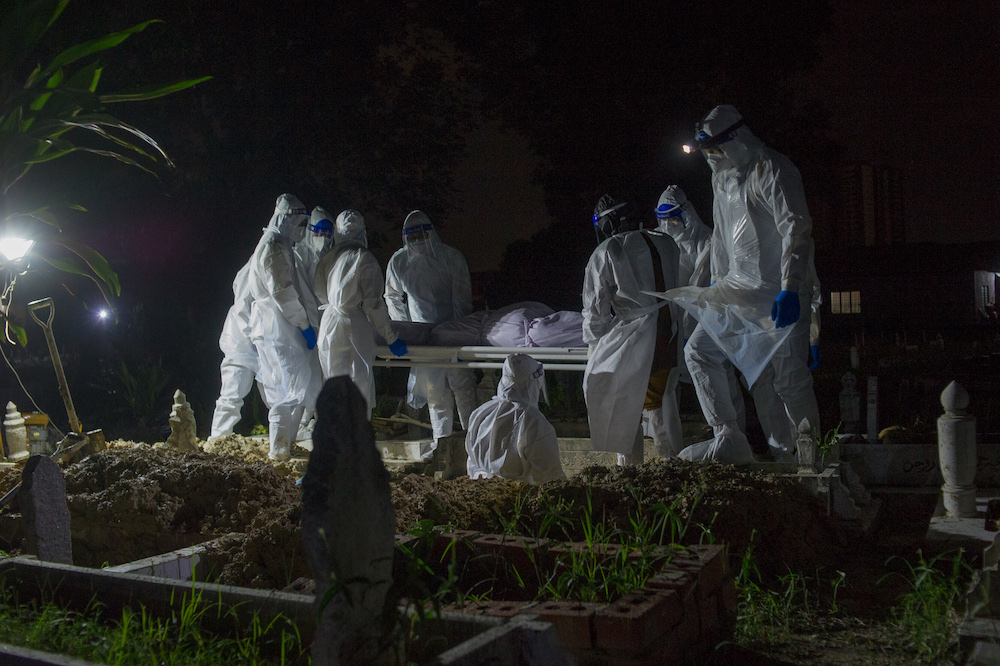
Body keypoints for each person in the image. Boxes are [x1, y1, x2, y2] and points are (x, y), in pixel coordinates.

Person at [677, 105, 821, 464]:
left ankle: (808, 461)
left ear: (735, 140)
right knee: (700, 352)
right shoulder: (721, 179)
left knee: (788, 382)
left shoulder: (771, 168)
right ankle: (730, 437)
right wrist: (714, 288)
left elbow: (796, 227)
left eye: (715, 149)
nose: (712, 157)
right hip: (736, 292)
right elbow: (723, 240)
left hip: (778, 293)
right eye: (707, 152)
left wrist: (792, 286)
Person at [583, 194, 684, 465]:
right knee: (661, 403)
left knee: (625, 410)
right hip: (670, 333)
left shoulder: (608, 250)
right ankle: (673, 469)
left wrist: (595, 345)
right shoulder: (667, 242)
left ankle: (630, 476)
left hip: (636, 338)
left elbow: (595, 313)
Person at [385, 210, 478, 453]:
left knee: (462, 387)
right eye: (411, 237)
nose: (417, 241)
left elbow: (461, 298)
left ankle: (474, 444)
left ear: (431, 233)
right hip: (423, 336)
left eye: (421, 235)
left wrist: (458, 332)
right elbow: (392, 296)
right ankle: (442, 445)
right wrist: (405, 329)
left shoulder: (450, 258)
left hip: (452, 333)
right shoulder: (399, 262)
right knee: (435, 393)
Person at [247, 193, 323, 461]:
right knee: (282, 389)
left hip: (280, 326)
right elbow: (283, 292)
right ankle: (279, 450)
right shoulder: (274, 247)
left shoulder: (279, 244)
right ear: (285, 220)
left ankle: (286, 445)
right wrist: (303, 324)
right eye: (300, 224)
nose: (303, 230)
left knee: (291, 388)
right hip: (278, 328)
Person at [315, 209, 407, 417]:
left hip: (329, 323)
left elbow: (319, 293)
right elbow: (373, 305)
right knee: (359, 385)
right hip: (354, 325)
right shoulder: (363, 257)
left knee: (333, 384)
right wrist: (390, 337)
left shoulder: (327, 258)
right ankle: (357, 442)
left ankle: (333, 442)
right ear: (362, 232)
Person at [466, 353, 566, 484]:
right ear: (534, 382)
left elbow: (472, 464)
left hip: (480, 490)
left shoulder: (481, 413)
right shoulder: (532, 420)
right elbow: (550, 476)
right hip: (518, 495)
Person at [209, 260, 259, 438]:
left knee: (280, 396)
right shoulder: (258, 264)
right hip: (242, 342)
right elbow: (243, 308)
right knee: (233, 391)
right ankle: (218, 439)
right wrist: (256, 336)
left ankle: (289, 434)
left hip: (260, 339)